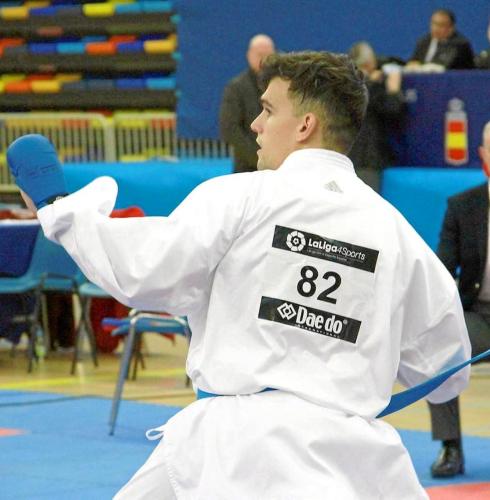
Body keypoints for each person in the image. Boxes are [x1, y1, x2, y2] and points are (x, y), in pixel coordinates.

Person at [9, 51, 471, 499]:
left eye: (268, 110)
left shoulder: (243, 198)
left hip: (232, 450)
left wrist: (58, 212)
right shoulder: (397, 235)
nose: (254, 124)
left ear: (305, 125)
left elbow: (143, 271)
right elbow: (445, 371)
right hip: (352, 460)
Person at [428, 120, 490, 478]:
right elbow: (440, 273)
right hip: (477, 315)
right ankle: (450, 446)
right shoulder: (462, 207)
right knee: (439, 345)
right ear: (483, 155)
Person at [348, 41, 406, 192]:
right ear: (369, 63)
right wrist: (393, 90)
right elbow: (393, 110)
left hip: (348, 155)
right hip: (368, 160)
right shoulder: (371, 87)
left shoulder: (346, 85)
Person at [219, 34, 275, 173]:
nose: (264, 60)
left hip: (277, 165)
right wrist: (258, 158)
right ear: (249, 55)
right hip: (246, 167)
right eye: (259, 55)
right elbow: (230, 128)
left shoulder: (280, 86)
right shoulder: (236, 88)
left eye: (268, 55)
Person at [407, 9, 474, 70]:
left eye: (441, 25)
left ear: (451, 28)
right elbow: (413, 61)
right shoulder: (424, 41)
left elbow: (445, 65)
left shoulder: (460, 44)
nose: (435, 28)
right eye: (434, 24)